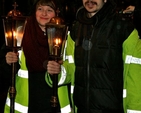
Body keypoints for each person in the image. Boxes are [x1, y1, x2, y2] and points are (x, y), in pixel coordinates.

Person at [47, 0, 140, 113]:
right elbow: (72, 69)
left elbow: (135, 79)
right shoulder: (76, 28)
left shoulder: (124, 29)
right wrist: (58, 71)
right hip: (81, 108)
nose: (90, 1)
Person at [1, 0, 72, 113]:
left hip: (54, 103)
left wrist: (61, 70)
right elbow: (3, 76)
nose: (44, 14)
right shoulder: (19, 32)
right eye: (40, 9)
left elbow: (74, 71)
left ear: (57, 13)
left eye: (49, 10)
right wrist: (8, 63)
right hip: (27, 105)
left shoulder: (65, 36)